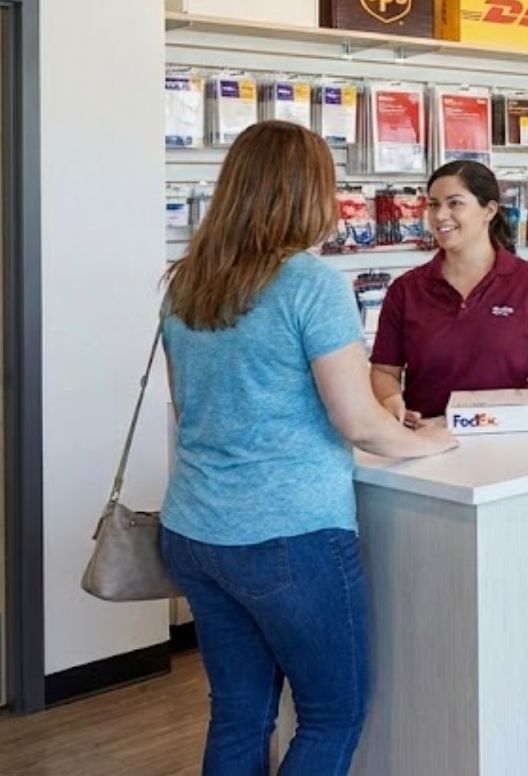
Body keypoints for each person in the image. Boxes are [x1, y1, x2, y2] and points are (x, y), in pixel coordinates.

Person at [159, 121, 456, 774]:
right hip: (288, 536)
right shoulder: (310, 284)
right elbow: (357, 421)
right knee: (332, 714)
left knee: (239, 713)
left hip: (195, 531)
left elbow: (190, 412)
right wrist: (426, 441)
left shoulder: (187, 281)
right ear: (309, 194)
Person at [371, 161, 528, 423]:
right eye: (434, 204)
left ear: (489, 210)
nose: (439, 216)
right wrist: (391, 401)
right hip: (430, 437)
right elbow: (384, 371)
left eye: (454, 203)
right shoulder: (406, 289)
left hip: (509, 431)